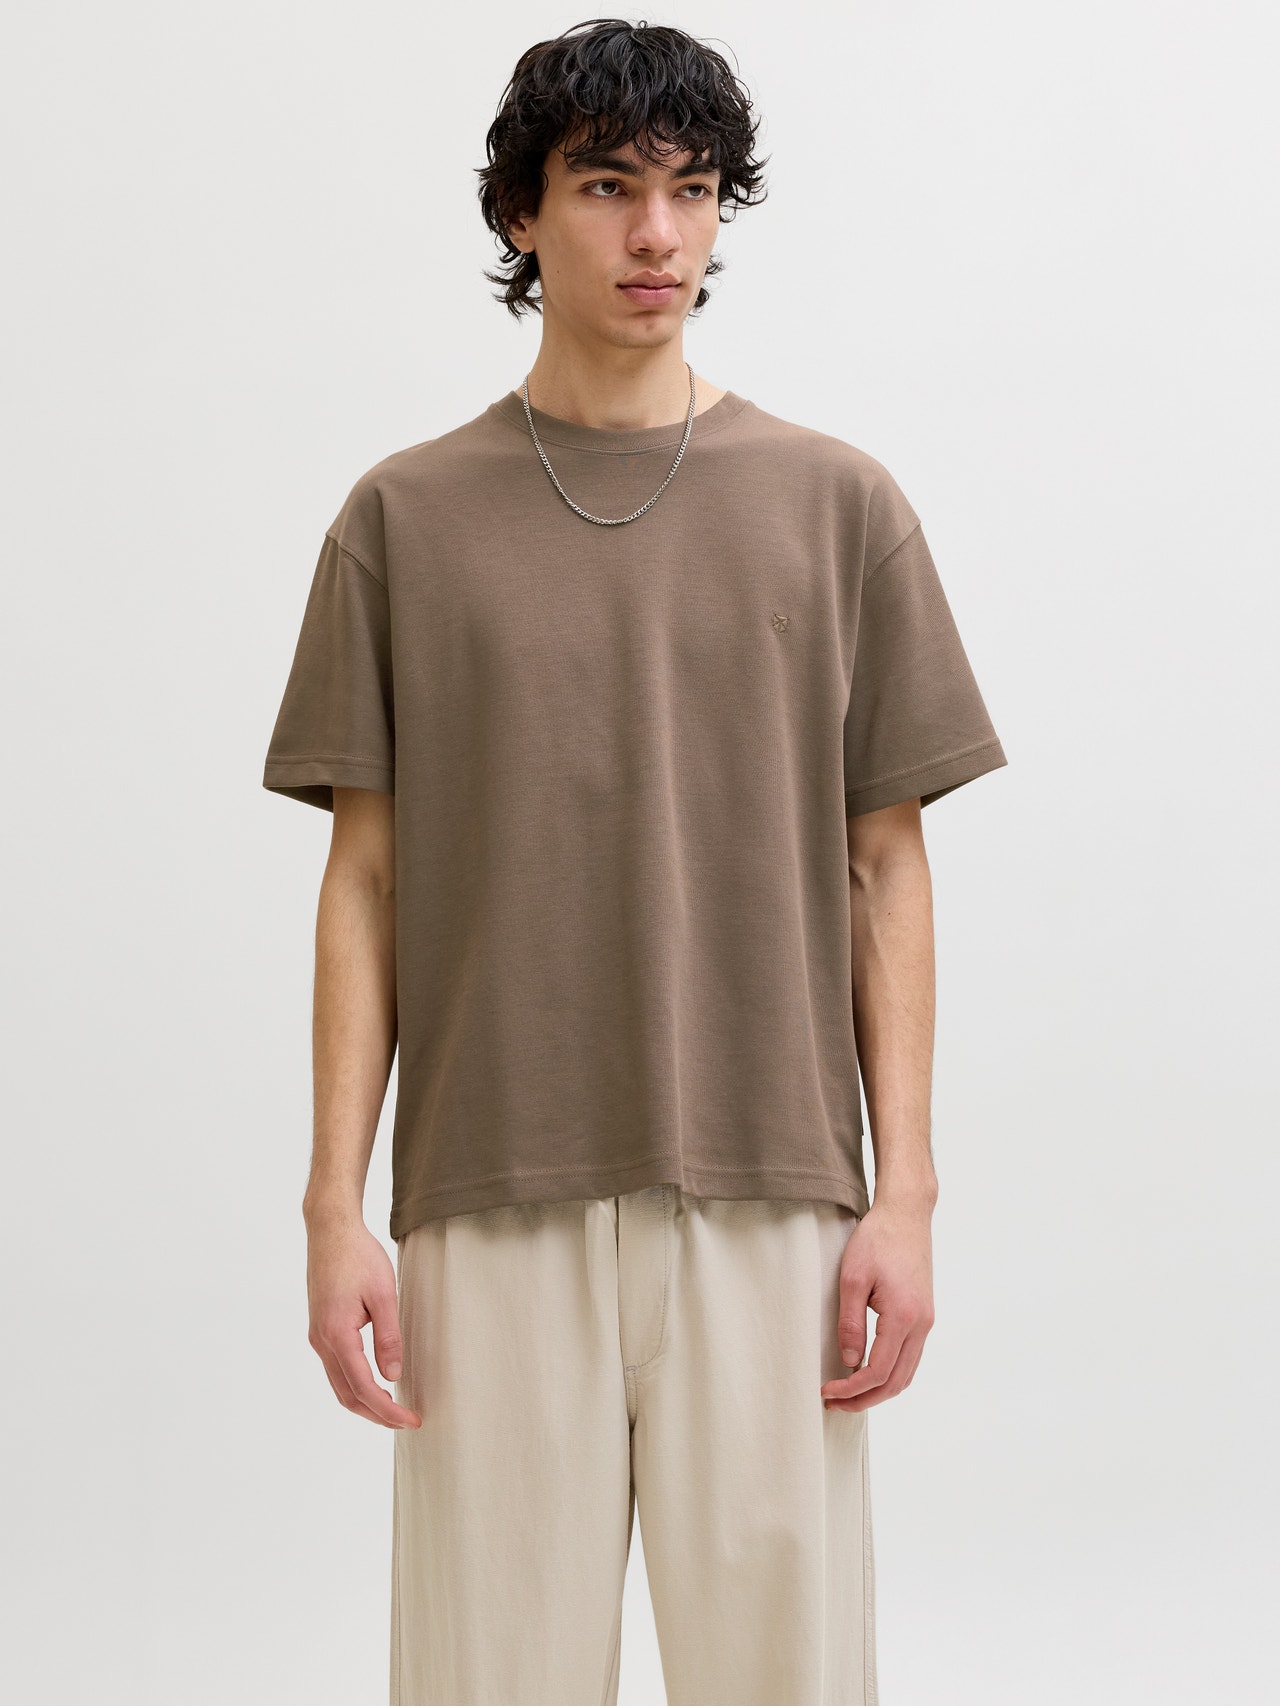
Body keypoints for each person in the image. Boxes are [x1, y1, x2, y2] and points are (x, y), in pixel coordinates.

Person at [262, 18, 1007, 1706]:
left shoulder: (838, 506)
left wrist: (905, 1193)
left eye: (691, 189)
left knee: (786, 1681)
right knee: (487, 1681)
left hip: (771, 1186)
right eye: (606, 187)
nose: (657, 233)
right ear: (521, 214)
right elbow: (363, 886)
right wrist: (331, 1206)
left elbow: (885, 868)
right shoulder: (401, 522)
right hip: (489, 1190)